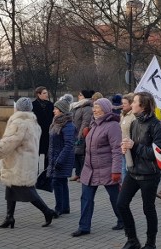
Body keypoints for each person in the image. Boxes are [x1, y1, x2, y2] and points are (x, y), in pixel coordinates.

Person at [0, 97, 58, 228]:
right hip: (26, 162)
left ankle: (47, 211)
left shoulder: (19, 123)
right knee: (10, 189)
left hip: (19, 163)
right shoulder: (33, 122)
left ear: (18, 108)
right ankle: (9, 217)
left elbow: (8, 143)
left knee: (27, 191)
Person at [115, 91, 161, 249]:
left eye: (135, 101)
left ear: (143, 105)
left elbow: (158, 154)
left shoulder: (156, 126)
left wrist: (134, 146)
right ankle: (132, 241)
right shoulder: (134, 122)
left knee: (148, 209)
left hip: (149, 175)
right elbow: (133, 145)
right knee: (121, 204)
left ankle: (150, 246)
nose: (131, 104)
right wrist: (125, 148)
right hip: (133, 171)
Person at [71, 98, 123, 237]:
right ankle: (84, 227)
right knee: (86, 198)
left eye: (97, 107)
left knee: (115, 198)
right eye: (93, 107)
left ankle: (123, 220)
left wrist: (116, 170)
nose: (94, 110)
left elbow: (117, 150)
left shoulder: (113, 126)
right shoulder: (94, 124)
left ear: (105, 109)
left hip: (107, 169)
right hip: (90, 169)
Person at [48, 99, 76, 215]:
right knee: (62, 181)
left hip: (62, 158)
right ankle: (65, 207)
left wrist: (59, 160)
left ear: (62, 110)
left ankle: (59, 208)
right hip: (56, 157)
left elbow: (69, 144)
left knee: (57, 182)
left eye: (56, 109)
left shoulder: (68, 124)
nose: (54, 110)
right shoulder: (56, 122)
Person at [70, 89, 95, 182]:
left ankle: (83, 175)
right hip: (75, 133)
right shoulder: (78, 106)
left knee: (82, 155)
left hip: (81, 135)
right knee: (76, 154)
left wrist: (80, 135)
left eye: (80, 95)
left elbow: (85, 122)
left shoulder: (87, 108)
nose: (78, 96)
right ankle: (77, 173)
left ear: (85, 96)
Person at [32, 86, 54, 170]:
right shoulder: (33, 105)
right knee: (35, 154)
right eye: (44, 93)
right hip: (37, 134)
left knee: (48, 154)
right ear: (39, 94)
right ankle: (34, 171)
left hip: (48, 133)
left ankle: (46, 173)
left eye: (47, 93)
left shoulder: (50, 105)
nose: (46, 94)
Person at [119, 93, 136, 182]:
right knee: (123, 168)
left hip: (130, 147)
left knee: (128, 168)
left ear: (131, 104)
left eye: (125, 103)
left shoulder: (133, 116)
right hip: (122, 146)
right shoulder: (123, 115)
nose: (122, 105)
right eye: (122, 103)